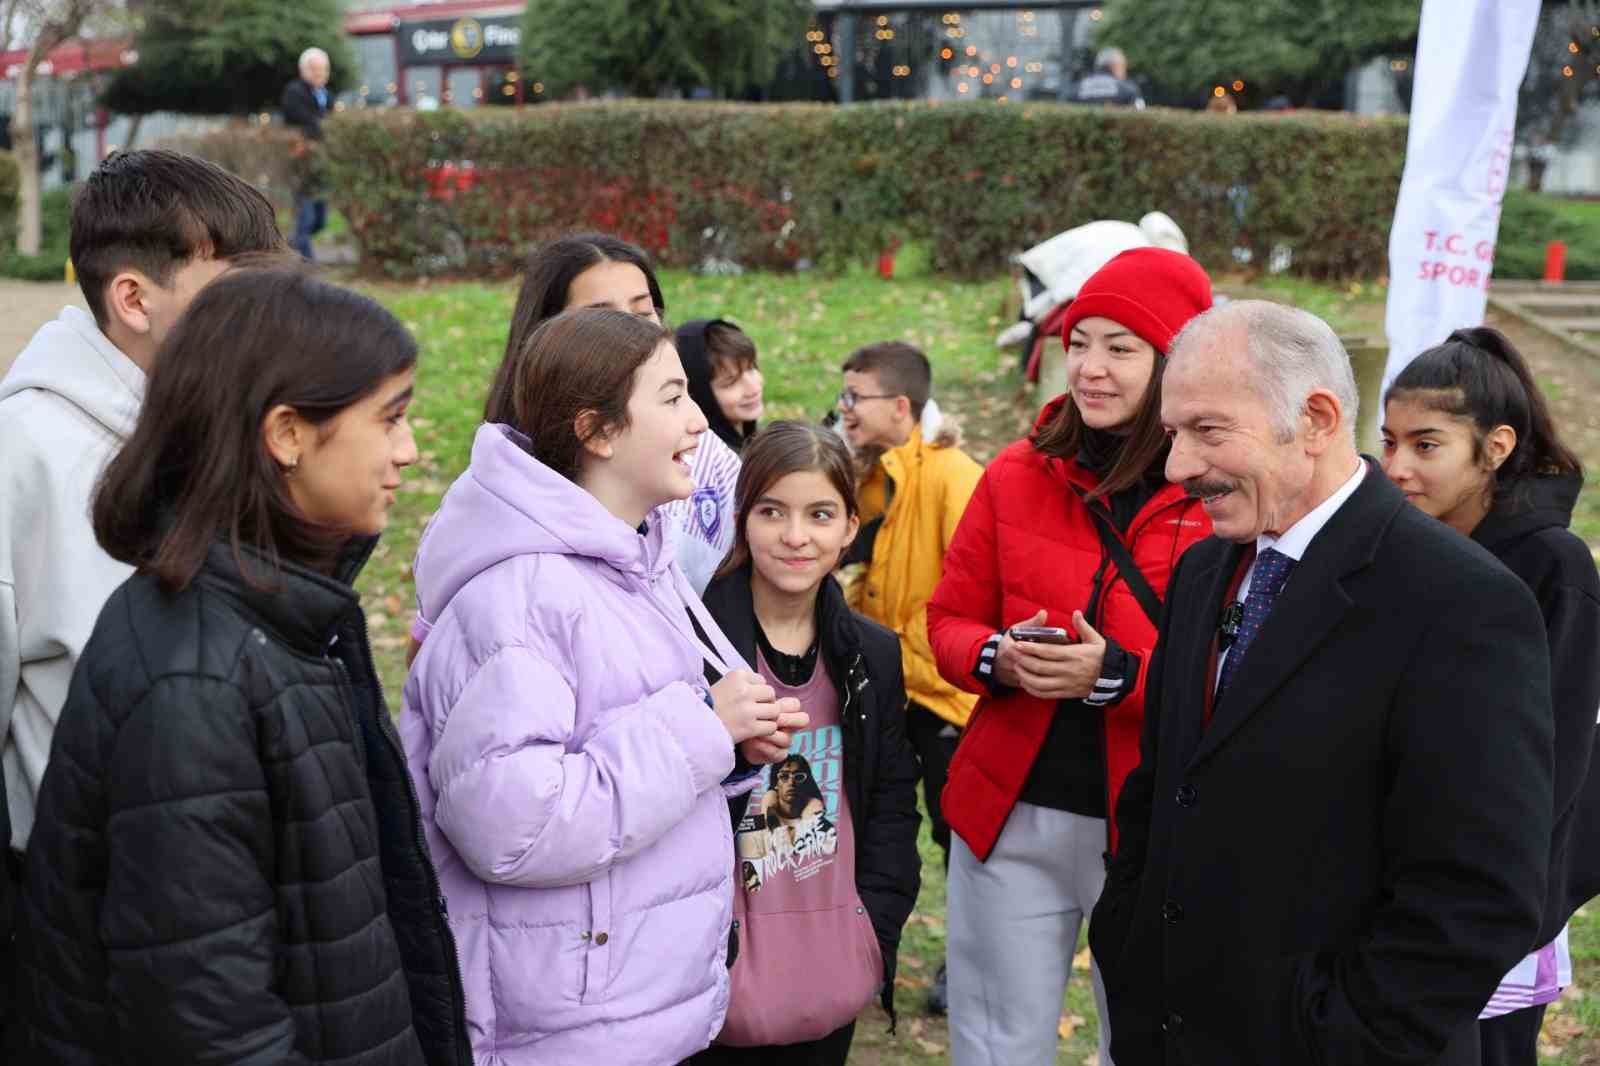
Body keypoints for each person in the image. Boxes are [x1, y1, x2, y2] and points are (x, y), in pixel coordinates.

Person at [11, 267, 470, 1064]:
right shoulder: (194, 678)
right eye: (390, 419)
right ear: (287, 434)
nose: (409, 450)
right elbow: (208, 1024)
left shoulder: (290, 614)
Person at [1088, 300, 1555, 1066]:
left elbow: (1477, 894)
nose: (1175, 468)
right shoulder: (1206, 571)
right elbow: (1162, 793)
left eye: (1208, 431)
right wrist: (1131, 947)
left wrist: (1339, 1036)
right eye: (1173, 434)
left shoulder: (1464, 602)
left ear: (1315, 419)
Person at [400, 308, 804, 1065]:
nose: (697, 422)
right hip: (562, 1033)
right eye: (674, 397)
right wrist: (699, 730)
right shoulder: (521, 596)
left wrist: (728, 746)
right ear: (599, 431)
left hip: (627, 1013)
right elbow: (511, 825)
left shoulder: (634, 563)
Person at [926, 248, 1215, 1066]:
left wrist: (1115, 677)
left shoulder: (1217, 490)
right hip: (1011, 812)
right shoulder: (1018, 472)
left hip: (1156, 822)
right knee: (994, 1044)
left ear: (1174, 362)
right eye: (1077, 340)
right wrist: (994, 658)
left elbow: (1248, 677)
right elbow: (946, 620)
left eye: (1121, 348)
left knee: (1152, 1042)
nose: (1089, 367)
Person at [0, 149, 284, 861]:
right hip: (79, 915)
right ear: (133, 299)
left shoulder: (234, 421)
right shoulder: (23, 454)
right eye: (234, 288)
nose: (267, 315)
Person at [1381, 327, 1600, 1066]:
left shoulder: (1553, 565)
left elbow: (1558, 763)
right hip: (1399, 890)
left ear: (1496, 447)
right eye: (1389, 443)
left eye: (1426, 445)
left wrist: (1508, 914)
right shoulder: (1403, 549)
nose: (1398, 467)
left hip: (1498, 903)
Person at [695, 420, 921, 1064]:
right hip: (709, 972)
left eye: (820, 514)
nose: (796, 537)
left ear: (851, 527)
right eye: (773, 512)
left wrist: (873, 930)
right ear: (743, 520)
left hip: (828, 962)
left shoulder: (871, 656)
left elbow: (891, 803)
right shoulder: (691, 646)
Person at [835, 340, 982, 1015]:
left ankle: (970, 960)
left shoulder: (956, 477)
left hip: (945, 696)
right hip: (876, 683)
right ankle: (859, 949)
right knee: (871, 824)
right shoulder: (861, 474)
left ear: (900, 406)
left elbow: (981, 586)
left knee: (960, 836)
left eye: (853, 398)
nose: (843, 411)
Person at [678, 318, 764, 454]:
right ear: (701, 395)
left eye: (751, 368)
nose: (753, 388)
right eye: (731, 382)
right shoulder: (716, 468)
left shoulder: (757, 445)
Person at [283, 46, 332, 259]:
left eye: (323, 69)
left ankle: (292, 242)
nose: (319, 74)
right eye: (314, 69)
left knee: (320, 219)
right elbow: (301, 119)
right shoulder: (294, 91)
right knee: (306, 215)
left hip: (322, 163)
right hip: (302, 163)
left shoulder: (327, 95)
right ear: (303, 69)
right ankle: (309, 266)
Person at [1073, 46, 1143, 109]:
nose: (1125, 71)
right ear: (1114, 65)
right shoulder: (1127, 88)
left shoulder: (1077, 87)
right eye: (1123, 65)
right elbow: (1140, 111)